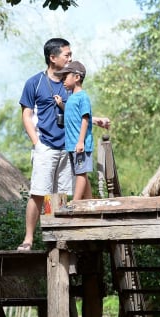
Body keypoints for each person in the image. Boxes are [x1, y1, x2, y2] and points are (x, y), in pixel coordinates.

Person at [17, 39, 111, 250]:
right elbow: (26, 115)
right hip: (46, 146)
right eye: (66, 55)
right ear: (53, 57)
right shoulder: (35, 82)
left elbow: (78, 112)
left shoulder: (70, 82)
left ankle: (58, 237)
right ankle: (29, 238)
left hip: (69, 146)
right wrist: (37, 142)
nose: (70, 58)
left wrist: (96, 120)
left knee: (61, 195)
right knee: (38, 192)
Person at [62, 60, 94, 201]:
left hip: (79, 144)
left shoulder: (83, 97)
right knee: (80, 173)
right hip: (72, 144)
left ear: (76, 77)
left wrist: (81, 142)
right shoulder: (71, 98)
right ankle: (89, 201)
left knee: (80, 173)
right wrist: (61, 105)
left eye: (65, 76)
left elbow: (85, 118)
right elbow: (70, 113)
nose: (63, 80)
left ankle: (75, 202)